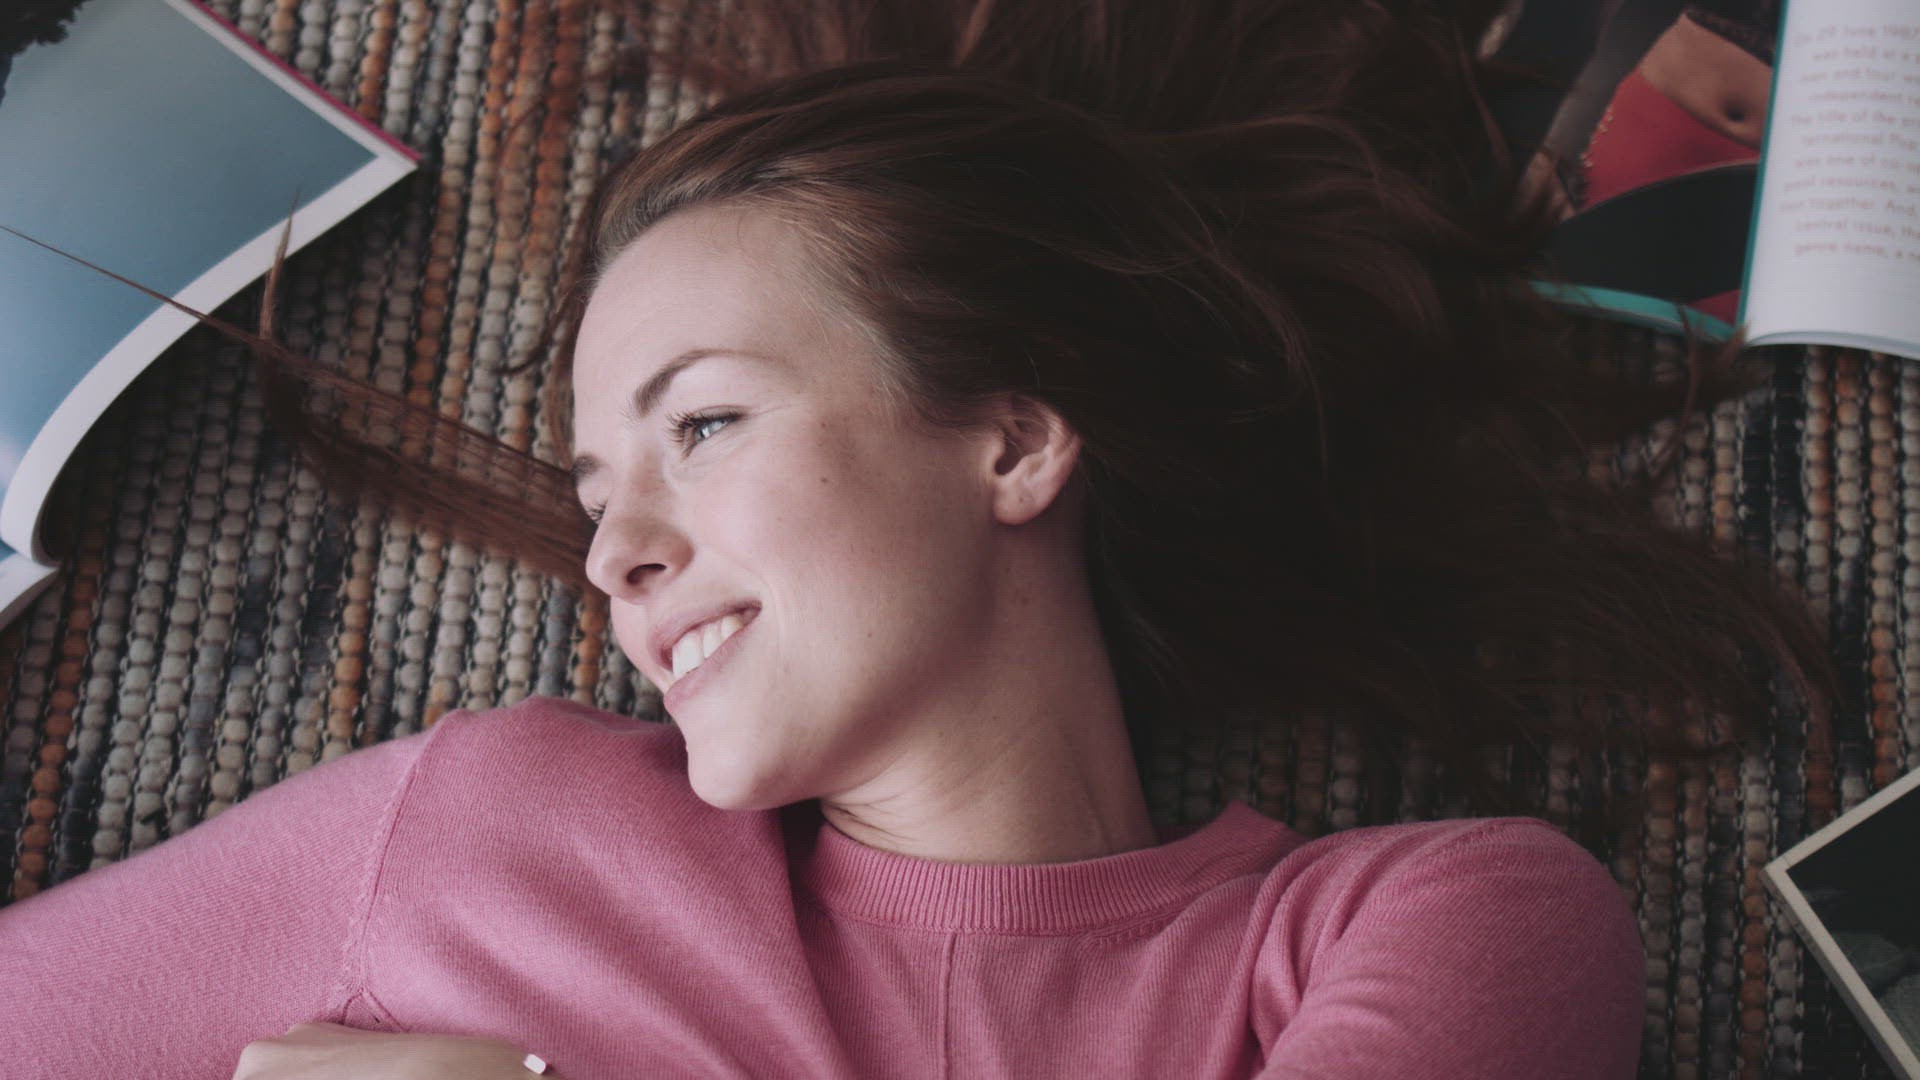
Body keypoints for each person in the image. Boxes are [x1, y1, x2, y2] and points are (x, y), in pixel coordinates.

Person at [0, 0, 1842, 1077]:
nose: (614, 553)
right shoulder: (480, 828)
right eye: (592, 493)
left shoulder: (1445, 928)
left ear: (1017, 439)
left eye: (701, 426)